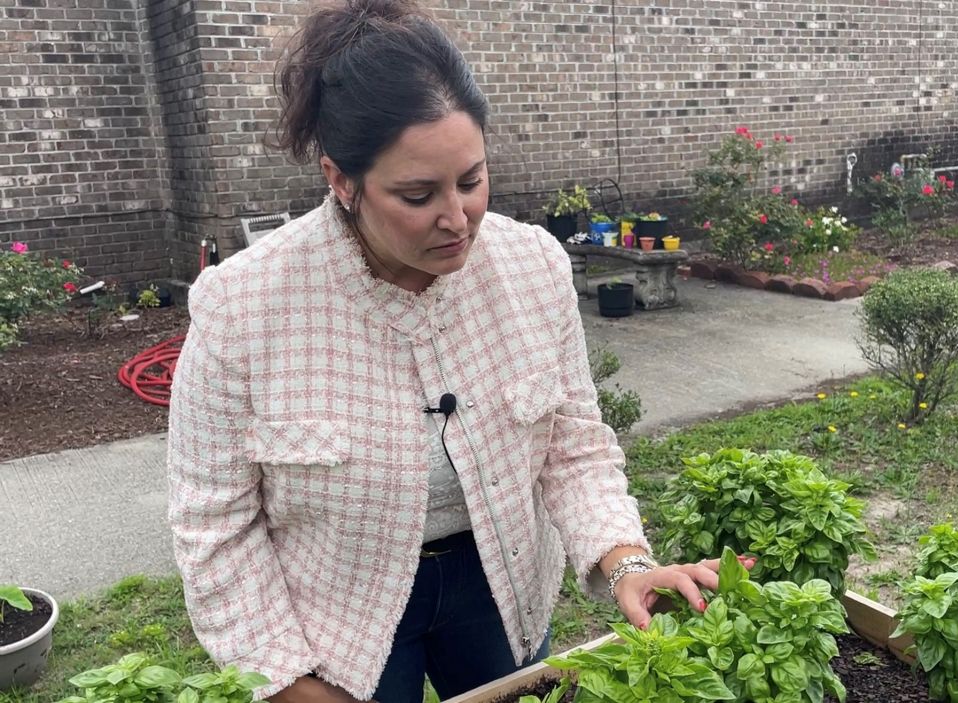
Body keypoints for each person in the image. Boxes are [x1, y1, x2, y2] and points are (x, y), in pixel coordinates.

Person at [166, 1, 751, 702]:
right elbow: (215, 525)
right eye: (417, 195)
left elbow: (572, 445)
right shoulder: (242, 307)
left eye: (471, 180)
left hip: (497, 582)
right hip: (334, 607)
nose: (458, 218)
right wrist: (285, 678)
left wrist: (628, 561)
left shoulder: (531, 266)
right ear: (341, 180)